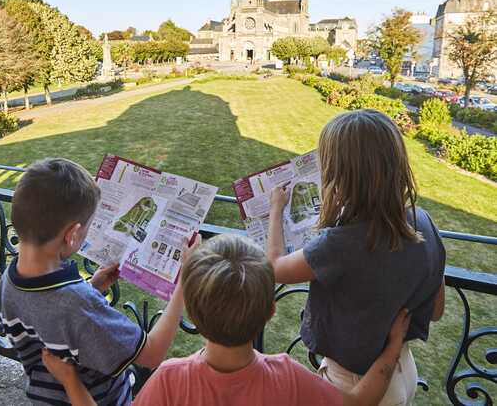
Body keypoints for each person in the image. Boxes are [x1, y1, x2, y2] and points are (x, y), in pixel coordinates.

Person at [42, 234, 412, 406]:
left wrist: (71, 381)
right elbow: (358, 404)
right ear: (269, 312)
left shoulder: (171, 380)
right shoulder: (289, 378)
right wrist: (392, 347)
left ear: (195, 319)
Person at [267, 109, 446, 406]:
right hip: (403, 369)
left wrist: (276, 209)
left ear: (342, 175)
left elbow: (274, 268)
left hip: (354, 384)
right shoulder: (423, 222)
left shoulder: (339, 245)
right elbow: (437, 309)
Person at [0, 158, 197, 406]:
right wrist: (184, 279)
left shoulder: (10, 279)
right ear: (71, 235)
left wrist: (92, 287)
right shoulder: (78, 304)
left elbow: (51, 321)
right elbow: (152, 353)